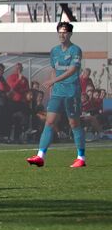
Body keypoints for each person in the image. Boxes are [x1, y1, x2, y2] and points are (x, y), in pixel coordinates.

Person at [28, 22, 87, 168]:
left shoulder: (76, 50)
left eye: (65, 32)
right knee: (49, 122)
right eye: (60, 32)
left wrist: (53, 80)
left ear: (70, 34)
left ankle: (81, 157)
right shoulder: (54, 51)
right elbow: (54, 69)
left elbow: (73, 70)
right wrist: (53, 86)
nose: (62, 35)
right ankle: (40, 156)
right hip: (58, 93)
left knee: (74, 123)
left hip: (71, 92)